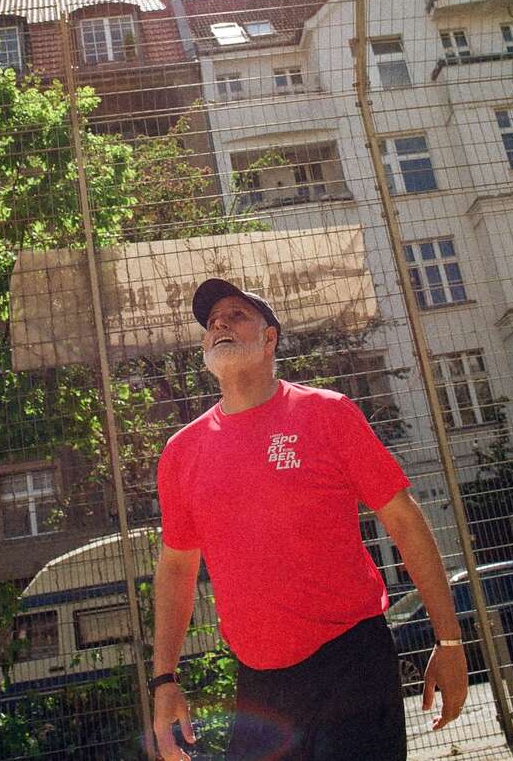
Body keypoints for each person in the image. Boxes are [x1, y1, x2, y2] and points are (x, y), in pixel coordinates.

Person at [151, 278, 468, 761]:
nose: (219, 324)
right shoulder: (182, 452)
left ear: (269, 338)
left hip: (350, 662)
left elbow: (404, 521)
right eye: (212, 323)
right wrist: (165, 679)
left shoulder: (326, 413)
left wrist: (448, 640)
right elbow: (177, 567)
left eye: (236, 315)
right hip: (258, 683)